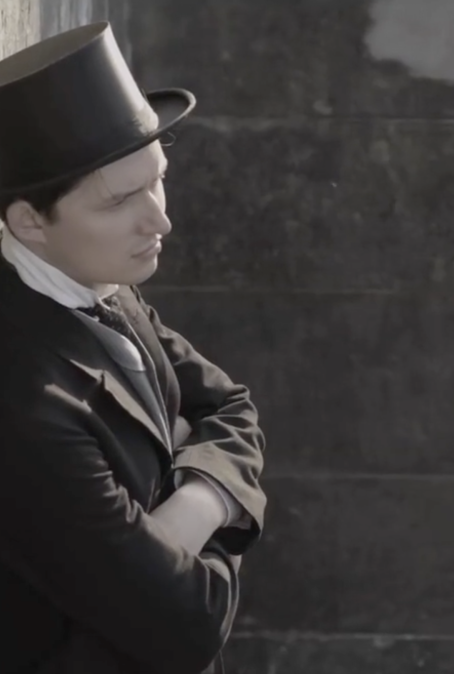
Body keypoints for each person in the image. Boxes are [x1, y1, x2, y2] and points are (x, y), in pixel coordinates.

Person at [0, 22, 266, 674]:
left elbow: (232, 407)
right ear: (30, 223)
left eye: (158, 179)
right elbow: (188, 625)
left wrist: (195, 503)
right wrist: (217, 528)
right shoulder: (25, 398)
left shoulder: (101, 284)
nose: (160, 220)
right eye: (121, 201)